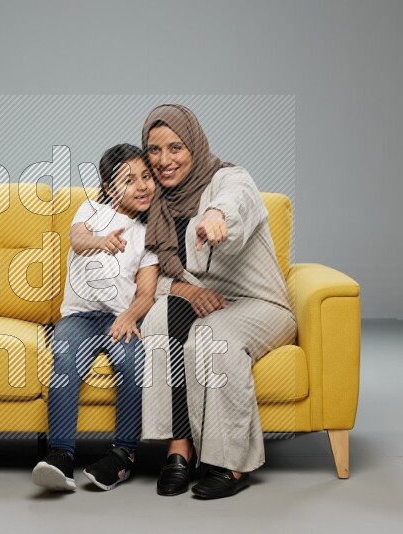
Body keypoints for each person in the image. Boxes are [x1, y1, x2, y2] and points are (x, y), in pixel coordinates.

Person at [139, 104, 297, 499]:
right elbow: (149, 275)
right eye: (154, 150)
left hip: (257, 304)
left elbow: (235, 200)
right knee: (158, 320)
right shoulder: (154, 201)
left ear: (193, 144)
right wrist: (186, 291)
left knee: (213, 338)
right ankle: (179, 446)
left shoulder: (229, 178)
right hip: (203, 301)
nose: (164, 160)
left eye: (175, 147)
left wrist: (215, 216)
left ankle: (231, 463)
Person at [32, 144, 159, 492]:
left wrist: (131, 316)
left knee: (134, 363)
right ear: (108, 186)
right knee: (65, 358)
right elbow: (77, 238)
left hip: (119, 317)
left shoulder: (148, 235)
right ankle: (61, 456)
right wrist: (101, 241)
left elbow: (146, 292)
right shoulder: (91, 209)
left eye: (146, 177)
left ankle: (123, 456)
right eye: (130, 180)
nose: (143, 185)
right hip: (79, 318)